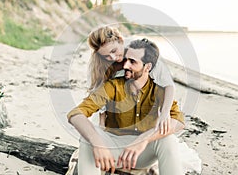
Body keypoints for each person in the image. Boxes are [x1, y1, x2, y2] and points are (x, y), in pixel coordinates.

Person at [67, 39, 185, 174]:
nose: (125, 65)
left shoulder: (159, 91)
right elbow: (75, 114)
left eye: (133, 62)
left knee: (168, 139)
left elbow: (179, 122)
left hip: (142, 154)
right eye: (126, 60)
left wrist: (144, 139)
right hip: (113, 149)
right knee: (88, 134)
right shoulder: (113, 86)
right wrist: (97, 141)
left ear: (147, 67)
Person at [87, 26, 176, 134]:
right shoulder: (97, 64)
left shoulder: (140, 50)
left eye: (114, 51)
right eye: (107, 56)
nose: (113, 57)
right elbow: (98, 95)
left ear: (120, 40)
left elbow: (168, 85)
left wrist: (165, 113)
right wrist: (102, 125)